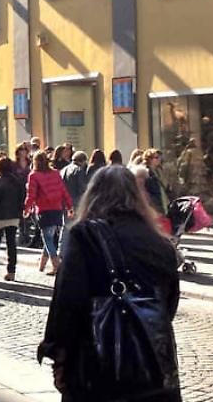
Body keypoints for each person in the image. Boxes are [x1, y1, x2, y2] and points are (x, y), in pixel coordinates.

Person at [38, 166, 181, 401]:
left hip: (96, 366)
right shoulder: (160, 242)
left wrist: (58, 353)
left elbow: (67, 300)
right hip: (152, 367)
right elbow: (169, 301)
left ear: (93, 195)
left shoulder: (85, 237)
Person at [25, 151, 74, 275]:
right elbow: (63, 190)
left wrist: (26, 208)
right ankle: (42, 264)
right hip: (57, 209)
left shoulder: (33, 175)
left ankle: (56, 266)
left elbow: (31, 195)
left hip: (44, 209)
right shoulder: (55, 173)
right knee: (49, 237)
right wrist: (69, 206)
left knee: (47, 238)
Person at [0, 156, 25, 282]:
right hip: (13, 216)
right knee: (11, 244)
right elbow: (21, 200)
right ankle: (11, 271)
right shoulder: (17, 182)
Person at [143, 148, 170, 215]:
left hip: (163, 202)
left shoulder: (159, 171)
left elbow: (165, 185)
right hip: (155, 204)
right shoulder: (146, 172)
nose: (159, 159)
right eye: (156, 158)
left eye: (159, 157)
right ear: (150, 159)